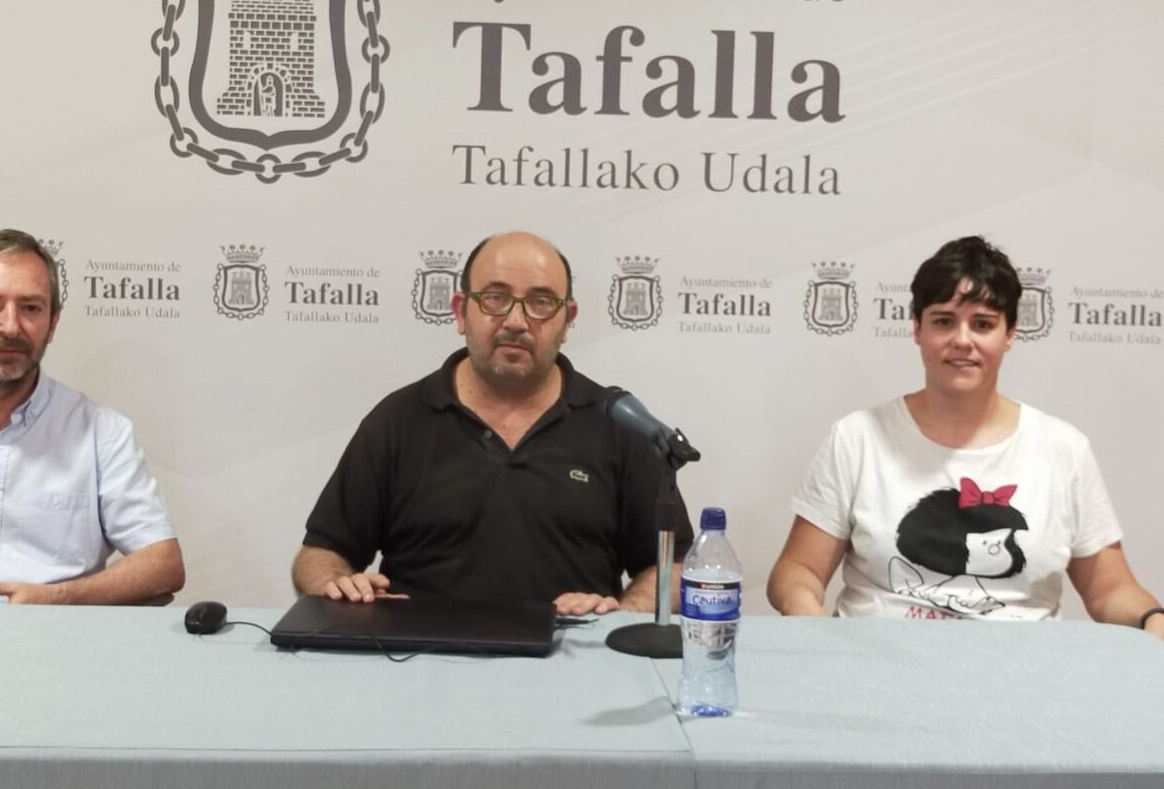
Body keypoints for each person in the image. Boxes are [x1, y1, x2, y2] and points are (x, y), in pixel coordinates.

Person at [767, 236, 1164, 638]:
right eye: (943, 321)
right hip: (876, 669)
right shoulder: (857, 438)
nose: (962, 339)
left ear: (1009, 334)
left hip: (1027, 678)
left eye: (983, 324)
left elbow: (1109, 588)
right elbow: (798, 570)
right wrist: (811, 622)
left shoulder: (1064, 450)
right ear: (917, 329)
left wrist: (1153, 619)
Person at [292, 231, 693, 616]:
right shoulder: (399, 419)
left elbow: (675, 567)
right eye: (495, 298)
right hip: (418, 660)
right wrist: (337, 584)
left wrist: (621, 612)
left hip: (572, 660)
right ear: (460, 311)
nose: (516, 321)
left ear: (567, 320)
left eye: (540, 303)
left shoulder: (617, 423)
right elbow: (319, 554)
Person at [0, 230, 184, 614]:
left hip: (57, 649)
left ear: (53, 322)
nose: (10, 326)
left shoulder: (102, 433)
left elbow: (162, 565)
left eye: (30, 308)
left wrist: (56, 600)